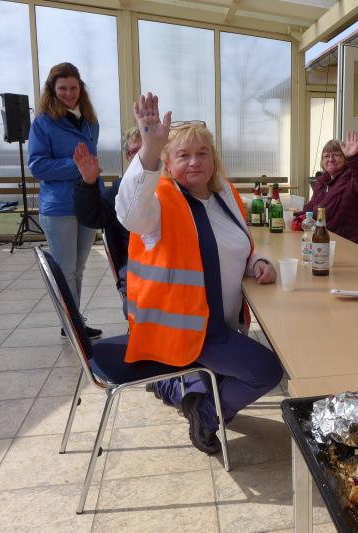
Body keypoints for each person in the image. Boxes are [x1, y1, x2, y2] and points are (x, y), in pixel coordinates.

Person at [115, 93, 284, 455]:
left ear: (214, 159)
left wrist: (257, 263)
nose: (194, 162)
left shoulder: (225, 195)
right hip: (187, 330)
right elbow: (129, 213)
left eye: (202, 153)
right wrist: (149, 148)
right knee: (266, 371)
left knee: (228, 376)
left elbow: (239, 246)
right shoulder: (160, 201)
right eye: (183, 155)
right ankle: (206, 413)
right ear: (167, 162)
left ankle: (186, 390)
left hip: (220, 324)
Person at [28, 62, 102, 339]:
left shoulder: (90, 121)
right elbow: (37, 166)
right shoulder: (43, 123)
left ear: (81, 88)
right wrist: (78, 167)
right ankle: (72, 324)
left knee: (78, 269)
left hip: (87, 202)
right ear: (52, 89)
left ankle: (73, 321)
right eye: (62, 89)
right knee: (66, 270)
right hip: (59, 207)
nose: (68, 94)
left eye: (73, 88)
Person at [72, 127, 141, 314]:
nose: (142, 155)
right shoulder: (120, 190)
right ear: (128, 157)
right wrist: (88, 182)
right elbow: (92, 217)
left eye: (148, 148)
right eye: (135, 150)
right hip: (137, 269)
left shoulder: (174, 185)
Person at [300, 130, 358, 245]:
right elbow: (311, 208)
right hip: (327, 241)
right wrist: (295, 217)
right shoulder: (321, 182)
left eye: (336, 155)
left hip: (353, 245)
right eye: (326, 156)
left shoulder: (353, 177)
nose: (330, 159)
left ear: (345, 157)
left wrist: (354, 157)